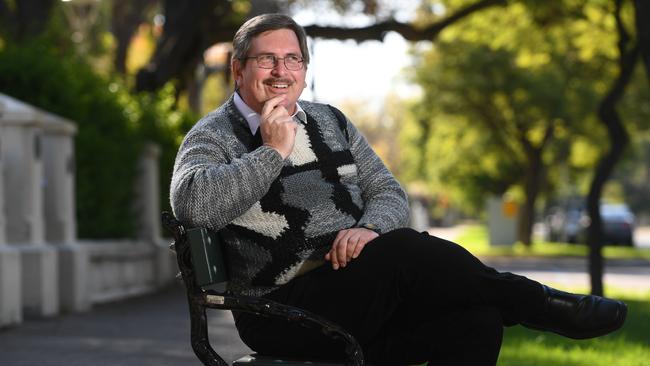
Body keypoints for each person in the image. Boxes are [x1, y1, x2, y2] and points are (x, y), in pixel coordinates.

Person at [170, 13, 627, 366]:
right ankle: (537, 304)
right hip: (281, 309)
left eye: (293, 59)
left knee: (476, 317)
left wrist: (369, 227)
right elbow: (192, 205)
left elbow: (389, 193)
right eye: (266, 59)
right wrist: (271, 152)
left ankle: (519, 302)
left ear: (304, 69)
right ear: (237, 69)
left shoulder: (330, 121)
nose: (280, 70)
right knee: (406, 250)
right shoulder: (215, 135)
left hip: (360, 288)